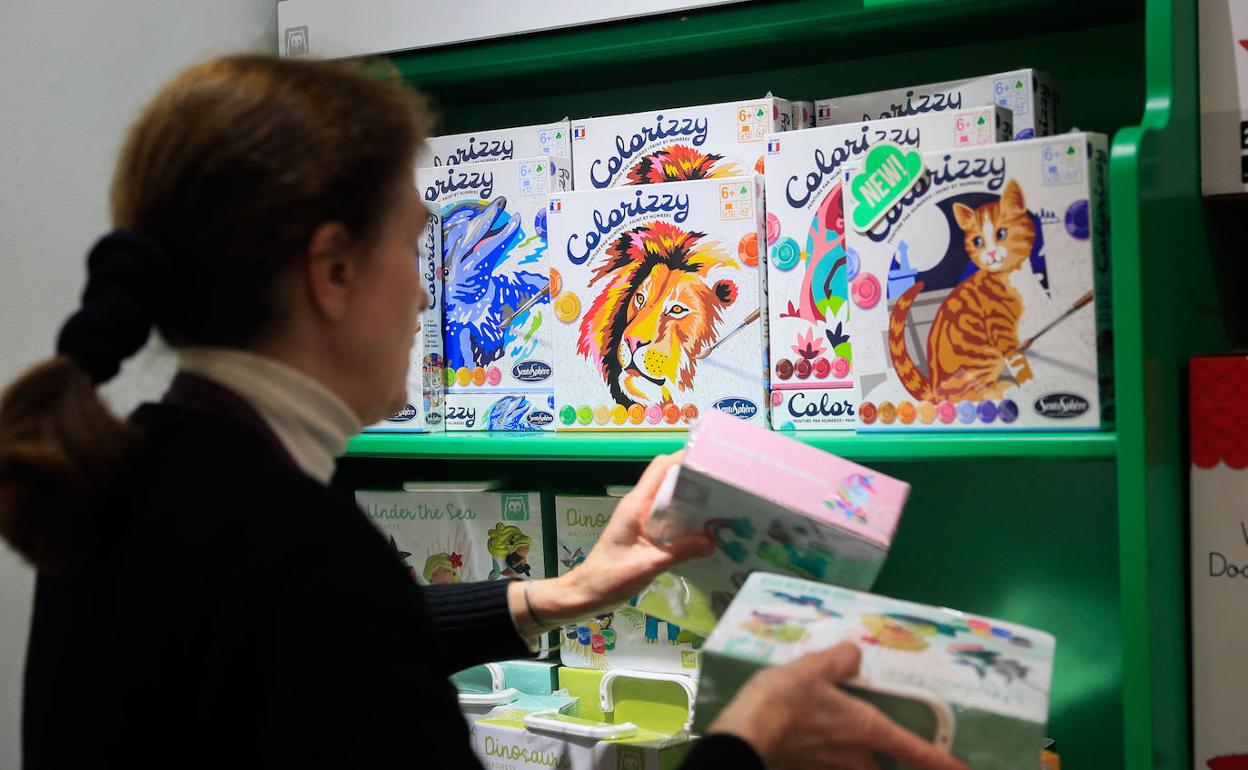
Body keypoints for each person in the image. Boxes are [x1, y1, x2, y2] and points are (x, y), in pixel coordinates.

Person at [0, 55, 967, 770]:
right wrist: (749, 746)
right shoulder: (297, 545)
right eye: (414, 250)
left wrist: (562, 594)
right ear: (334, 272)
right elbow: (322, 621)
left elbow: (304, 652)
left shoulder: (128, 477)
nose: (429, 300)